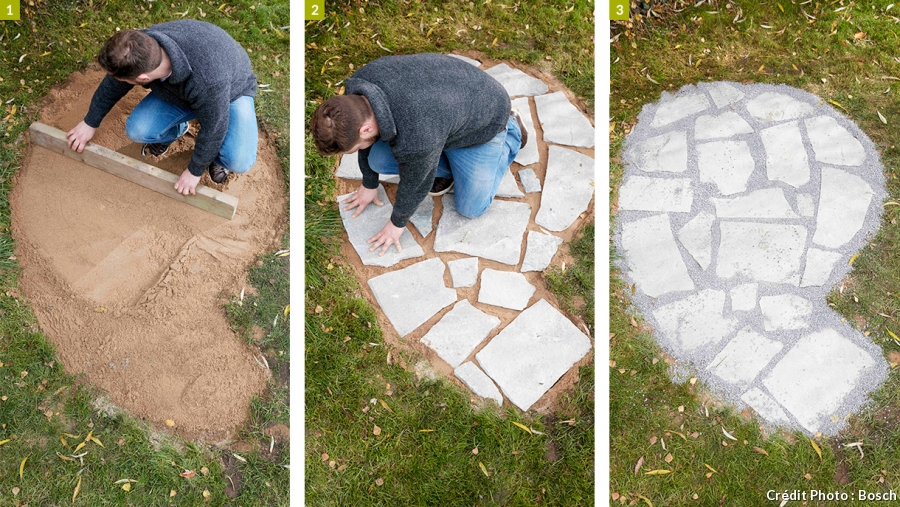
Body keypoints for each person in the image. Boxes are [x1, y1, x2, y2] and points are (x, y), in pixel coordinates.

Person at [310, 53, 527, 255]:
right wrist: (369, 182)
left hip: (486, 117)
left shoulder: (417, 134)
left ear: (365, 129)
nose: (359, 152)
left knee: (471, 207)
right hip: (445, 110)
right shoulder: (359, 91)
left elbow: (417, 183)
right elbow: (394, 147)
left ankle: (513, 130)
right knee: (378, 159)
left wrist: (396, 224)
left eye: (356, 148)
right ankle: (438, 155)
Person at [66, 20, 259, 196]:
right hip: (190, 90)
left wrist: (194, 171)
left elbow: (215, 127)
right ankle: (175, 131)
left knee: (238, 160)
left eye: (123, 79)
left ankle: (218, 161)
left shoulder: (208, 82)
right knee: (138, 129)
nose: (117, 81)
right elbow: (113, 83)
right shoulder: (141, 47)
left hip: (230, 91)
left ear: (143, 79)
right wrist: (90, 122)